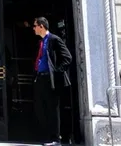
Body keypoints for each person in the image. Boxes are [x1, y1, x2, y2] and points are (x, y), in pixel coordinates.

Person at [32, 16, 73, 146]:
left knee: (52, 109)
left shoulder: (54, 39)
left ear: (41, 26)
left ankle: (56, 139)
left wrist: (56, 72)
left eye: (35, 26)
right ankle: (46, 136)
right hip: (40, 78)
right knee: (40, 108)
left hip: (51, 80)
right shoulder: (41, 41)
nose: (33, 28)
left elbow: (67, 57)